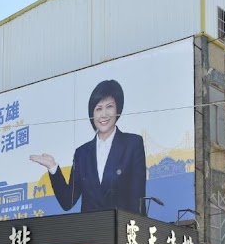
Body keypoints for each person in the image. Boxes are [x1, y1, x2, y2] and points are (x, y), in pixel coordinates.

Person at [30, 79, 147, 214]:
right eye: (98, 109)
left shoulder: (132, 144)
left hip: (121, 231)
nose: (103, 114)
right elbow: (67, 201)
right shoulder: (82, 154)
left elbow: (138, 200)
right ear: (92, 114)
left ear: (118, 109)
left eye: (109, 106)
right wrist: (53, 168)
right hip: (91, 231)